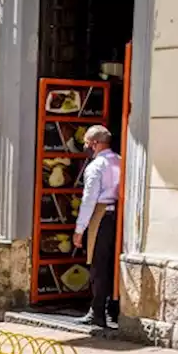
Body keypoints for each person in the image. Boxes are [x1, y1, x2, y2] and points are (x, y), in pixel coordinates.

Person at [73, 125, 122, 329]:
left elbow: (89, 200)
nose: (85, 146)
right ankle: (112, 308)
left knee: (98, 264)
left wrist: (79, 229)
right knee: (111, 263)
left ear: (94, 144)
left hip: (100, 215)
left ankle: (97, 311)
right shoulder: (120, 160)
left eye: (86, 142)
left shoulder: (96, 167)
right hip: (117, 215)